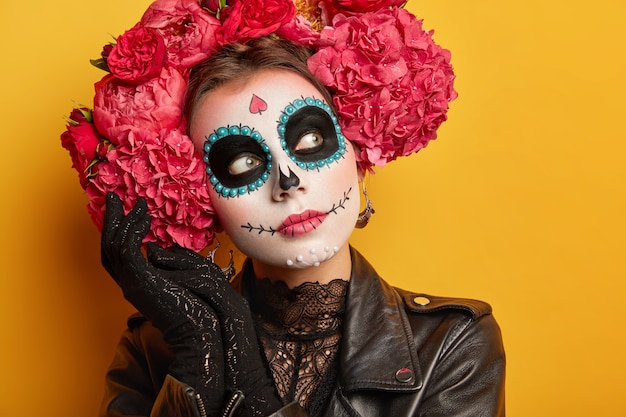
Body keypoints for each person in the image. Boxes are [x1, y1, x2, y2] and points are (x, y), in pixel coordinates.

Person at [61, 1, 505, 417]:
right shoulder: (151, 347)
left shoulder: (452, 343)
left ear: (358, 154)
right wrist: (197, 358)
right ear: (199, 196)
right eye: (243, 163)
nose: (288, 181)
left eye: (311, 141)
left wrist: (242, 364)